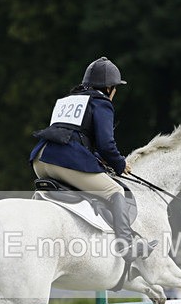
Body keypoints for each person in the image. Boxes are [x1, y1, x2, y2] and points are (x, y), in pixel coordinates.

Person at [29, 57, 154, 260]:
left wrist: (99, 160)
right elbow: (106, 144)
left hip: (40, 159)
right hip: (63, 161)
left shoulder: (70, 99)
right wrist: (120, 164)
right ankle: (126, 246)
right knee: (115, 190)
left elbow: (75, 137)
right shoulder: (101, 102)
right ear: (109, 88)